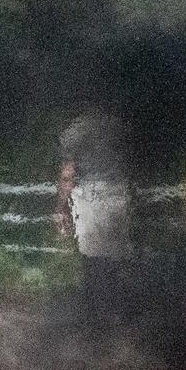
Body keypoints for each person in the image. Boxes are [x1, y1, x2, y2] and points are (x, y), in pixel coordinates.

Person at [56, 106, 135, 315]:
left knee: (91, 258)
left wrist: (61, 206)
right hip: (119, 192)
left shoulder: (76, 131)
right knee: (116, 256)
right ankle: (117, 310)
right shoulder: (117, 127)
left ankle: (94, 312)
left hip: (90, 195)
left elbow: (68, 173)